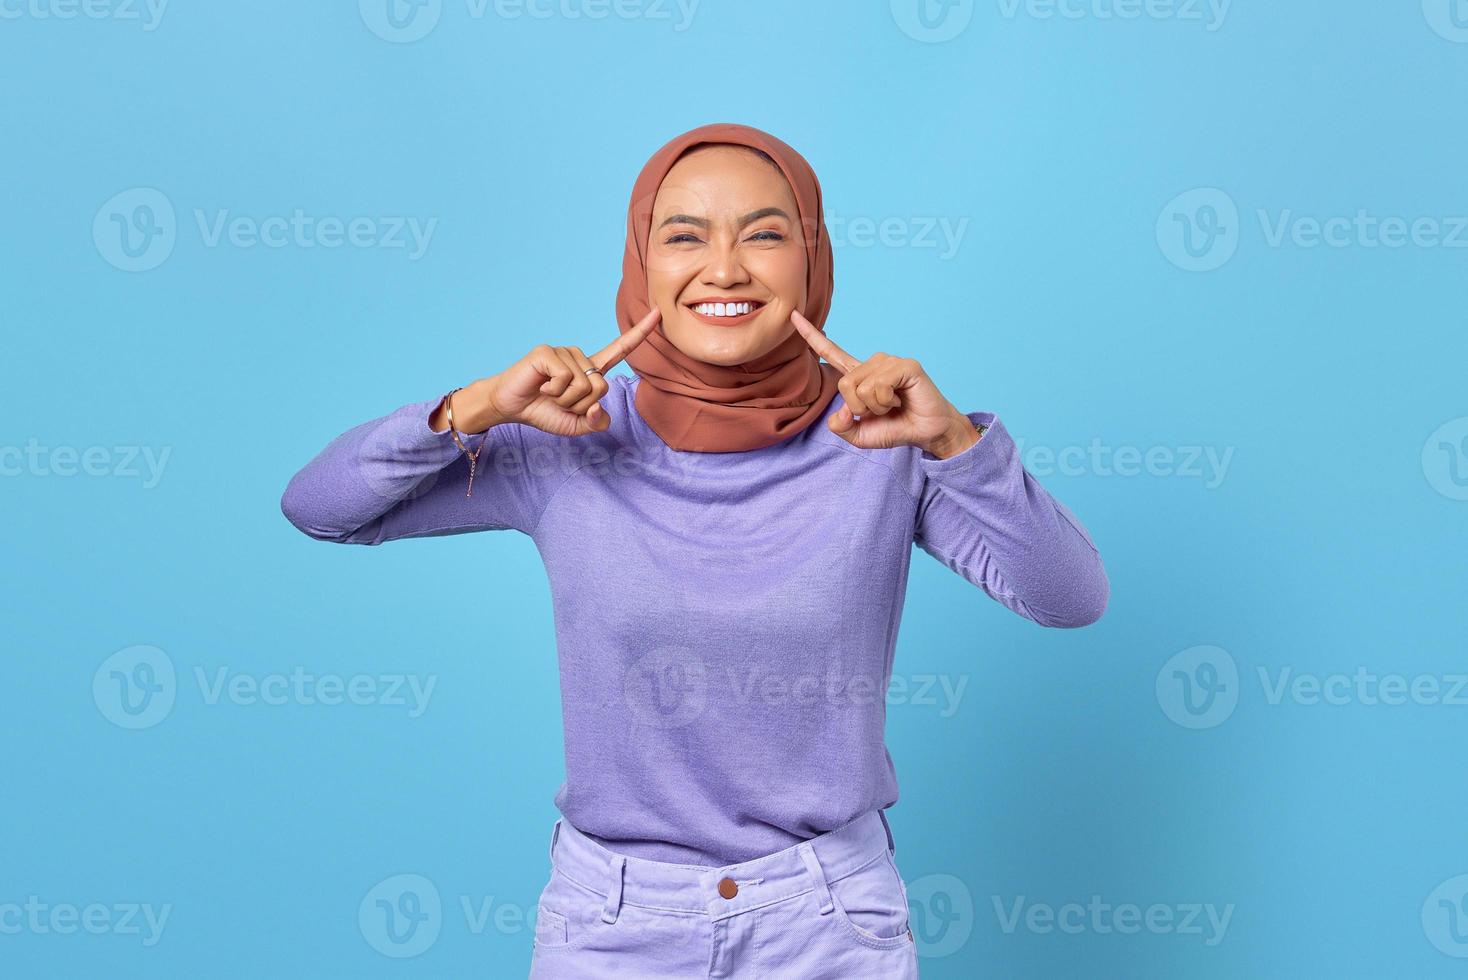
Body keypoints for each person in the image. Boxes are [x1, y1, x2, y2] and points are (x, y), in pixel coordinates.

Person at [280, 122, 1108, 978]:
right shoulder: (567, 436)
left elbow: (1070, 595)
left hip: (828, 921)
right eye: (684, 237)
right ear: (643, 266)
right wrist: (480, 404)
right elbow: (321, 507)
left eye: (764, 234)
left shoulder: (887, 438)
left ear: (811, 260)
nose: (724, 268)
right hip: (612, 922)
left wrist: (953, 446)